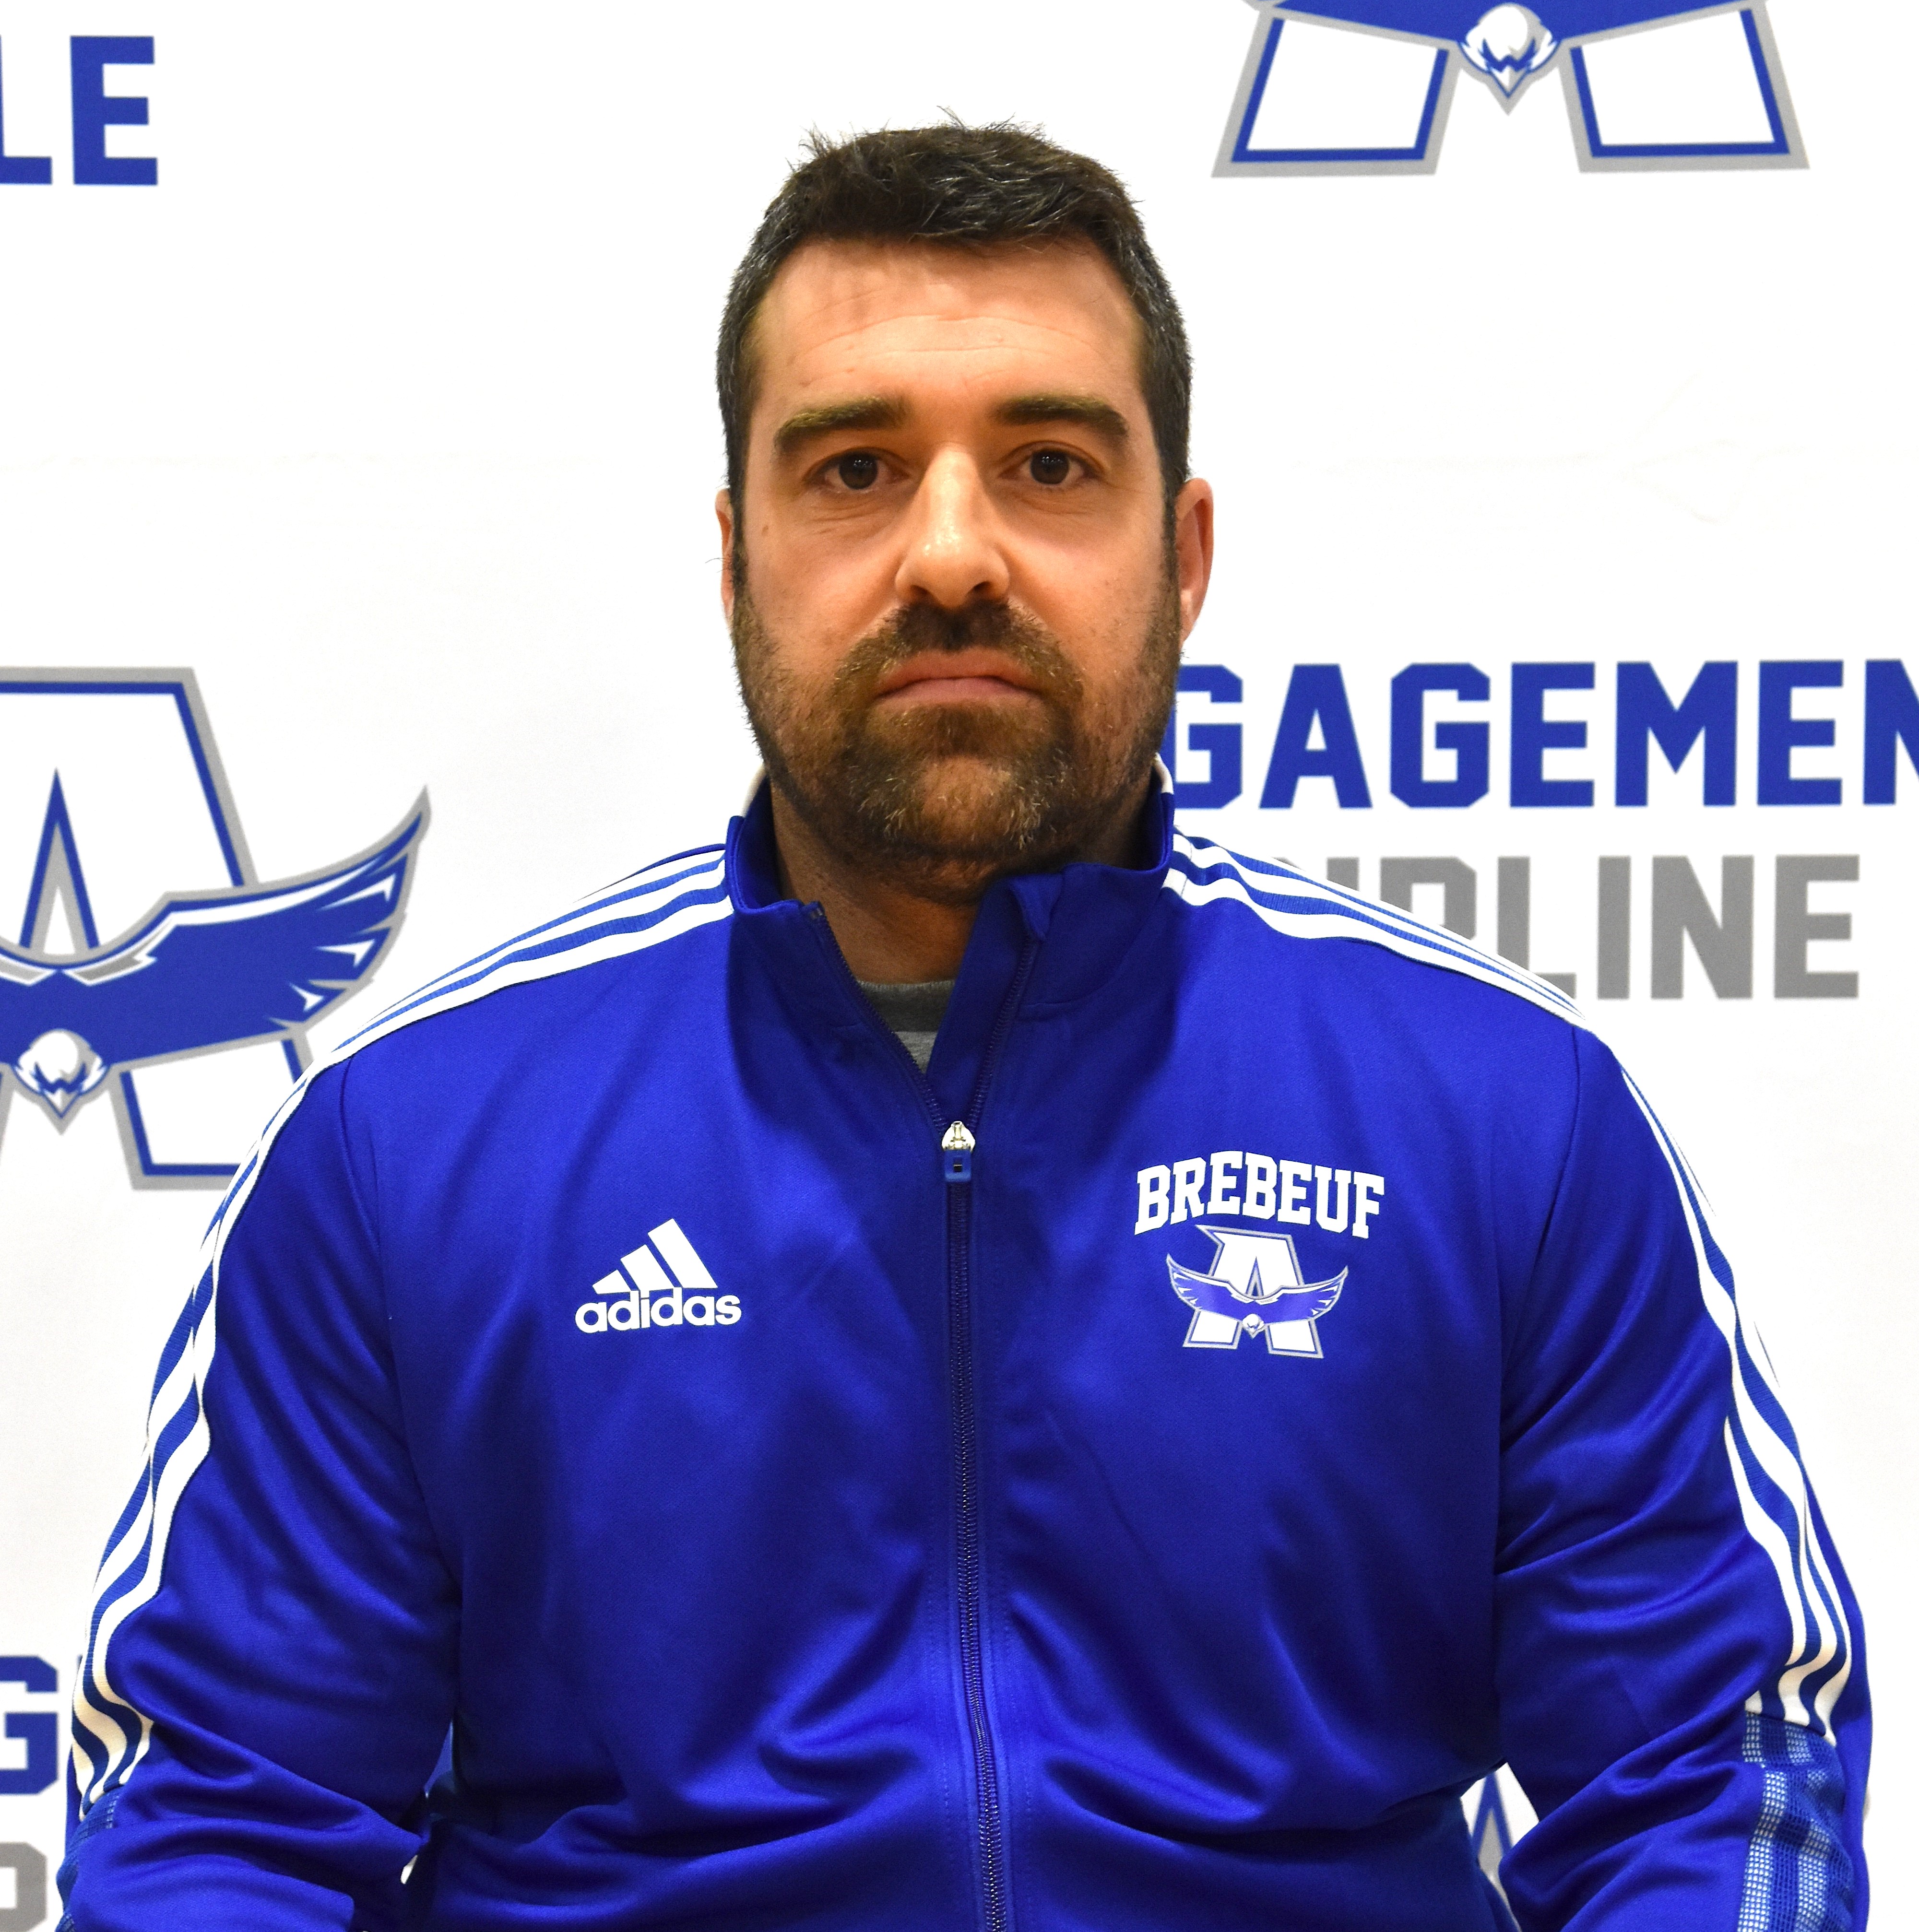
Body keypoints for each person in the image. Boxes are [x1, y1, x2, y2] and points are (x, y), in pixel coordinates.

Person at [61, 125, 1866, 1932]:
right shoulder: (411, 1151)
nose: (949, 552)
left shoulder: (1501, 1119)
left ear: (1184, 554)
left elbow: (1711, 1778)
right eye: (854, 468)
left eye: (1049, 465)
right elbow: (220, 1822)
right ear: (735, 556)